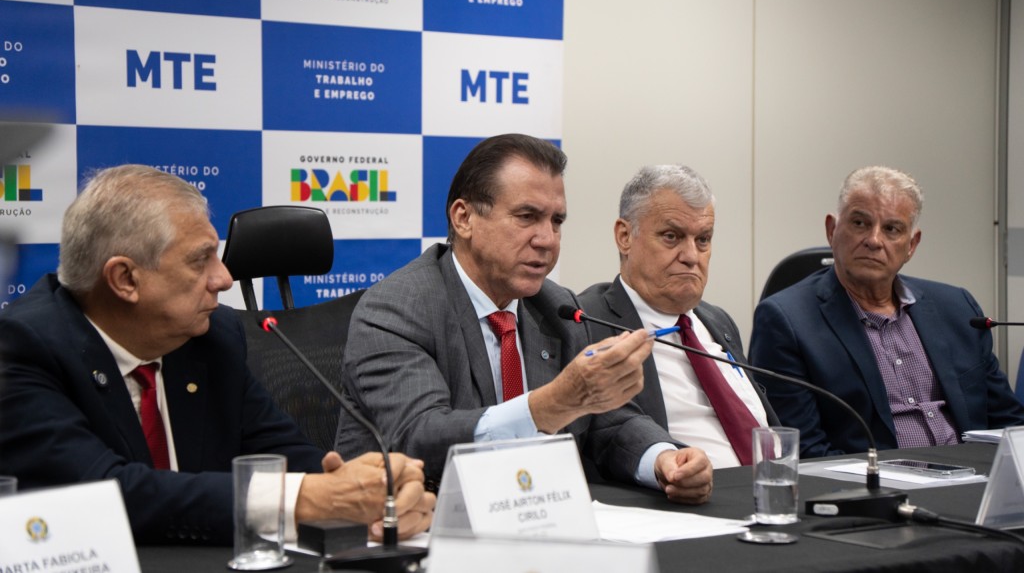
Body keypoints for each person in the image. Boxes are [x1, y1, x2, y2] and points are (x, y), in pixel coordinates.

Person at [0, 165, 434, 545]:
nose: (224, 278)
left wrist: (375, 488)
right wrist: (310, 498)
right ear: (125, 279)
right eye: (200, 260)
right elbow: (106, 494)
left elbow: (282, 454)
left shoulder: (212, 337)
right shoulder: (22, 347)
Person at [336, 134, 713, 504]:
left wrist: (664, 459)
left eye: (556, 221)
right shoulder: (396, 308)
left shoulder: (555, 306)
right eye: (527, 217)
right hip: (422, 520)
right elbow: (420, 437)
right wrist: (552, 404)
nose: (547, 239)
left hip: (537, 516)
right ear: (464, 218)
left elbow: (609, 421)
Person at [749, 165, 1024, 457]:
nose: (874, 240)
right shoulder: (786, 321)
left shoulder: (957, 308)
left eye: (891, 229)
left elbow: (1009, 424)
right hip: (874, 481)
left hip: (976, 476)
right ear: (832, 230)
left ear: (911, 245)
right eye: (859, 223)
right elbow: (803, 450)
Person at [579, 165, 778, 468]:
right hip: (685, 490)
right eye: (671, 236)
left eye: (703, 240)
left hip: (778, 483)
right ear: (624, 236)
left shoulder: (718, 321)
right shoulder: (588, 322)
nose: (691, 256)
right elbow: (611, 432)